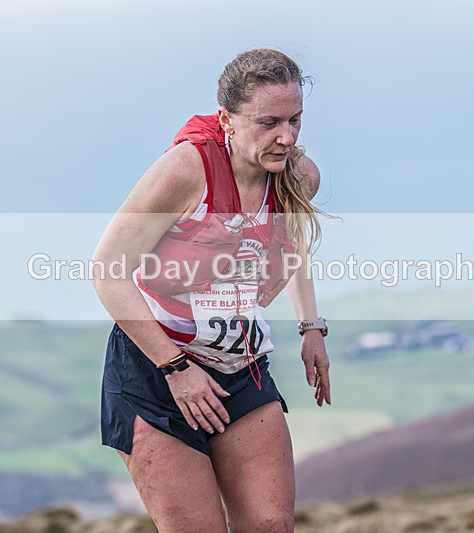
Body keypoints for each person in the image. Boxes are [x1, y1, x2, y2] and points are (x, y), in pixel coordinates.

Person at [92, 48, 331, 533]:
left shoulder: (298, 175)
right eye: (269, 123)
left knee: (271, 526)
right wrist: (176, 369)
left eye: (295, 120)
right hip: (156, 372)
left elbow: (293, 246)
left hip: (239, 366)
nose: (286, 138)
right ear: (227, 119)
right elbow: (107, 272)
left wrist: (311, 327)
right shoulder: (185, 172)